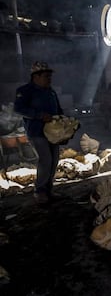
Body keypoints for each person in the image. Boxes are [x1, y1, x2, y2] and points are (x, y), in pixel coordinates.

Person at [14, 61, 64, 205]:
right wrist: (39, 115)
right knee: (45, 159)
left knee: (54, 160)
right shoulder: (24, 91)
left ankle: (49, 190)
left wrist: (63, 120)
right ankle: (40, 191)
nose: (49, 79)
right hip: (37, 132)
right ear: (36, 76)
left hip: (53, 133)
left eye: (50, 76)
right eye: (46, 76)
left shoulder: (50, 91)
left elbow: (58, 108)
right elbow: (19, 109)